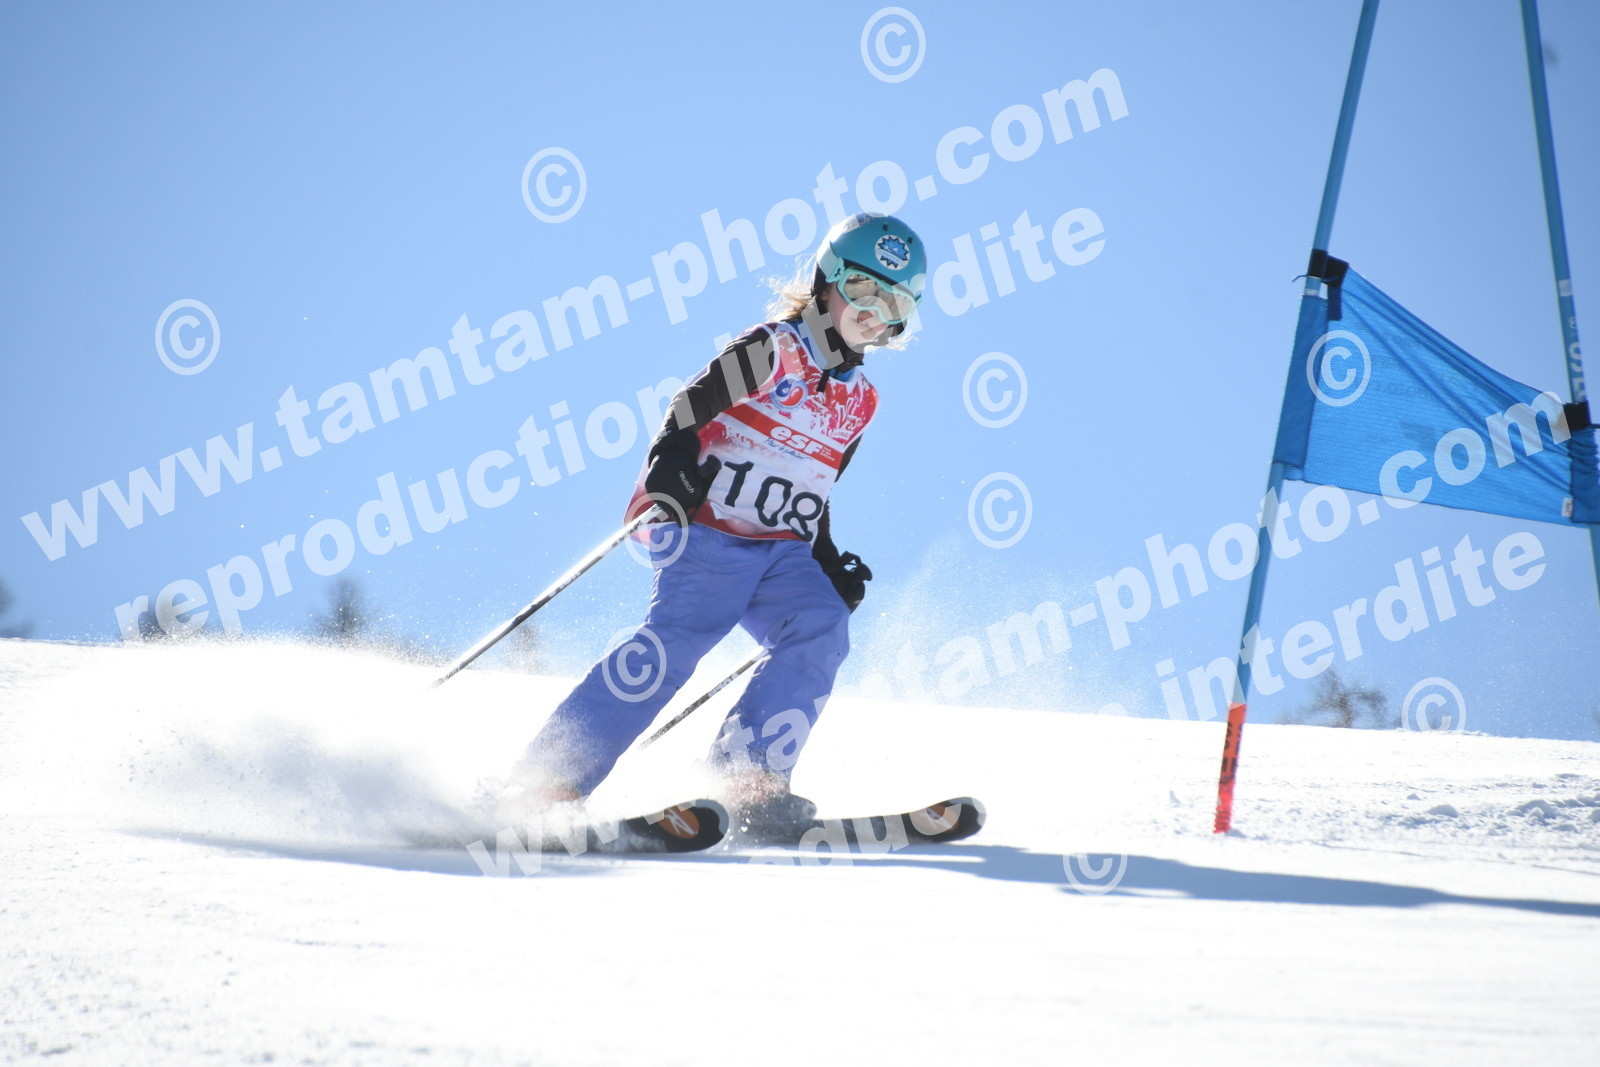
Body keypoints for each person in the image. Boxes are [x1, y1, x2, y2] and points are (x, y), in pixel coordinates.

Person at [509, 212, 926, 828]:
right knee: (679, 641)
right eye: (863, 288)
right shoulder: (774, 349)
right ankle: (547, 782)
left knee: (821, 624)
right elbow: (691, 405)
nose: (873, 311)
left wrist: (826, 560)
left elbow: (816, 486)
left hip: (782, 547)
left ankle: (749, 780)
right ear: (826, 281)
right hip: (706, 525)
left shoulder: (860, 402)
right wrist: (671, 459)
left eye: (894, 304)